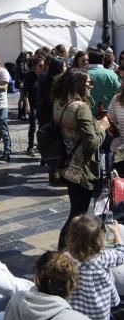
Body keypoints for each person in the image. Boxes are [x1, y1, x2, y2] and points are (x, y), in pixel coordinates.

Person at [54, 70, 108, 250]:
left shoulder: (60, 103)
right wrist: (102, 128)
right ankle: (63, 253)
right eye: (88, 83)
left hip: (67, 165)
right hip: (82, 168)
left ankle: (69, 251)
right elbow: (91, 143)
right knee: (78, 215)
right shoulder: (81, 107)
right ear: (79, 85)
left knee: (76, 211)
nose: (91, 86)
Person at [66, 215, 124, 320]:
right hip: (100, 313)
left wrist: (76, 225)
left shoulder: (67, 258)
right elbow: (121, 254)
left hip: (75, 312)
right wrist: (116, 232)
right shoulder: (103, 258)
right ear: (98, 240)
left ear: (71, 239)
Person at [23, 55, 45, 156]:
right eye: (40, 66)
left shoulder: (44, 76)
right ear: (35, 66)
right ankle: (30, 147)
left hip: (42, 106)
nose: (42, 67)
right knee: (32, 127)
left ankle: (40, 146)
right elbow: (25, 93)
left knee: (42, 128)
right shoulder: (29, 76)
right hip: (33, 105)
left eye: (43, 65)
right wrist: (27, 106)